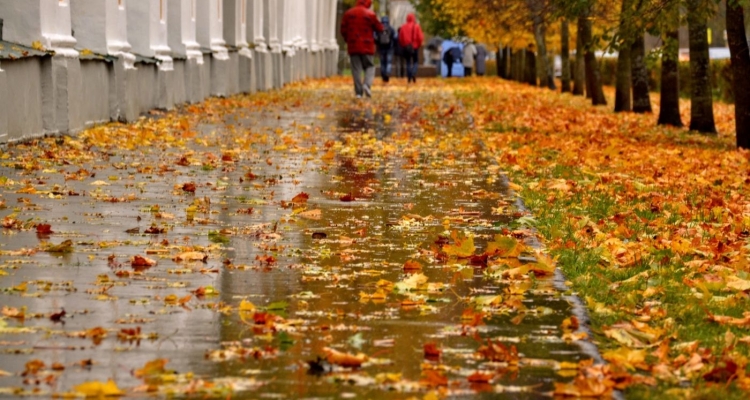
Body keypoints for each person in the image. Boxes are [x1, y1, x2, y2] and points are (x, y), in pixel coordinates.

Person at [340, 0, 383, 98]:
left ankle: (358, 93)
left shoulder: (348, 13)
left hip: (353, 45)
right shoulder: (370, 14)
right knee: (370, 66)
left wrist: (348, 40)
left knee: (356, 69)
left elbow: (343, 29)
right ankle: (367, 85)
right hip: (367, 46)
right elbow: (379, 28)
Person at [397, 13, 424, 83]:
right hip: (415, 46)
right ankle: (413, 72)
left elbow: (400, 38)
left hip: (407, 47)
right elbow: (420, 37)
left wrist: (403, 45)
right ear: (414, 18)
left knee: (408, 62)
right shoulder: (416, 26)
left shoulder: (403, 27)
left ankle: (409, 76)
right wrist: (418, 44)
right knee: (415, 61)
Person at [376, 16, 396, 83]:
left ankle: (383, 74)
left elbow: (375, 37)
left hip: (381, 48)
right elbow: (396, 37)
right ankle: (388, 72)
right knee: (388, 62)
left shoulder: (379, 28)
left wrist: (378, 43)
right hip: (389, 48)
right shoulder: (390, 28)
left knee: (382, 62)